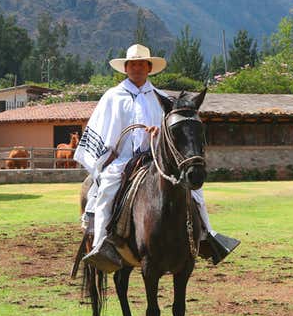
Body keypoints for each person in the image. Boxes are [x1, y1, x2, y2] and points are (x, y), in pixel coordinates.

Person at [74, 43, 240, 272]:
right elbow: (103, 130)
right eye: (133, 64)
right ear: (126, 68)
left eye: (142, 64)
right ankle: (102, 245)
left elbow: (174, 133)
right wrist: (106, 156)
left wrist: (158, 133)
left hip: (155, 158)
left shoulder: (162, 98)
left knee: (195, 190)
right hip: (122, 160)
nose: (137, 68)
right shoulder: (112, 97)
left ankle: (206, 235)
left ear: (149, 67)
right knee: (106, 190)